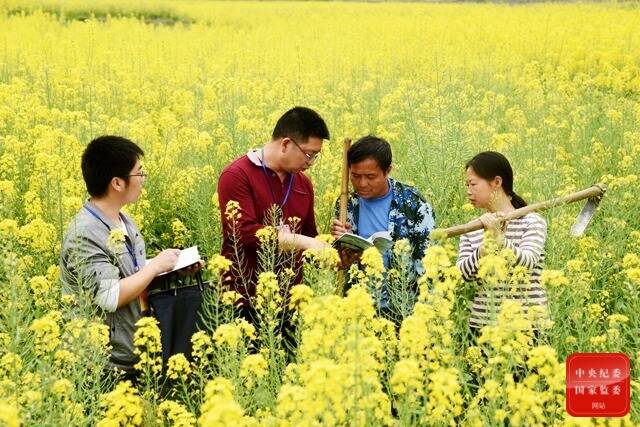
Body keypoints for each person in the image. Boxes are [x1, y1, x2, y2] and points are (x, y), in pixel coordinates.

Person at [60, 135, 182, 380]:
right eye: (139, 173)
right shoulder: (84, 234)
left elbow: (132, 273)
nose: (143, 179)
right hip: (102, 365)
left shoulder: (123, 220)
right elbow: (109, 295)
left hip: (134, 352)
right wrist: (155, 266)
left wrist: (169, 267)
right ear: (117, 182)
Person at [217, 106, 330, 304]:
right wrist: (302, 241)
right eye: (309, 154)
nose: (311, 163)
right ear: (286, 144)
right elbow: (242, 232)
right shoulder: (237, 175)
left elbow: (310, 235)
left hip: (290, 298)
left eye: (315, 156)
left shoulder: (303, 183)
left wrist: (333, 246)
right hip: (244, 296)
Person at [331, 135, 436, 312]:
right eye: (355, 176)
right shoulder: (346, 205)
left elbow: (427, 262)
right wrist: (341, 244)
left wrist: (426, 312)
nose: (362, 183)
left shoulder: (414, 204)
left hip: (403, 307)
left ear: (388, 171)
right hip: (358, 306)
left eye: (370, 177)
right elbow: (340, 263)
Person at [456, 151, 548, 331]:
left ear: (497, 182)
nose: (468, 191)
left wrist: (500, 240)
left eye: (473, 184)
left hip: (527, 326)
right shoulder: (472, 229)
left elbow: (528, 263)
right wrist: (485, 247)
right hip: (483, 327)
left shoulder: (532, 221)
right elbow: (461, 275)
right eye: (467, 185)